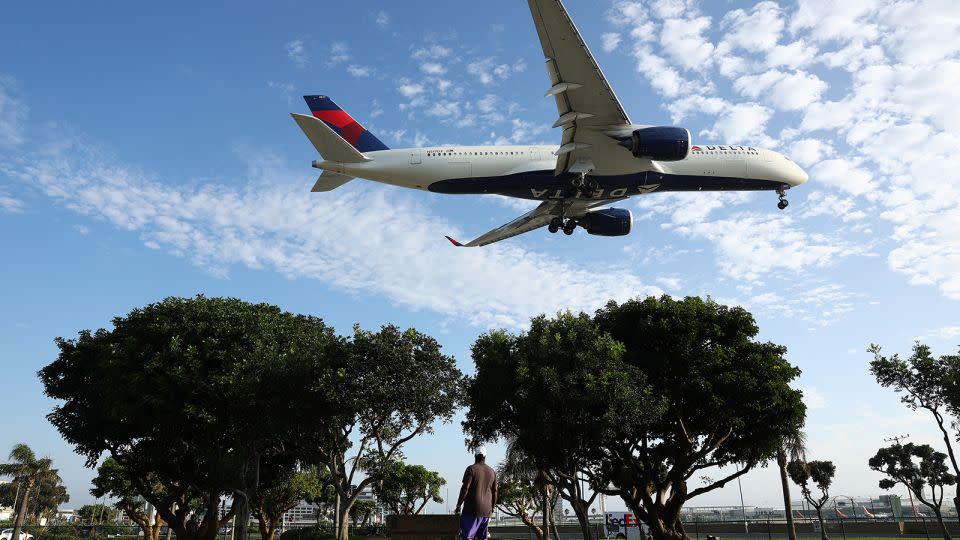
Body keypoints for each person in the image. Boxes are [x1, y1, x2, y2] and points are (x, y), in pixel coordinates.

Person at [455, 446, 498, 540]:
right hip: (487, 511)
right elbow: (495, 491)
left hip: (472, 510)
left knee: (467, 537)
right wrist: (492, 507)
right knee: (483, 538)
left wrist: (459, 504)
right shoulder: (492, 471)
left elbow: (465, 488)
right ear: (485, 456)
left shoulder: (471, 469)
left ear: (475, 455)